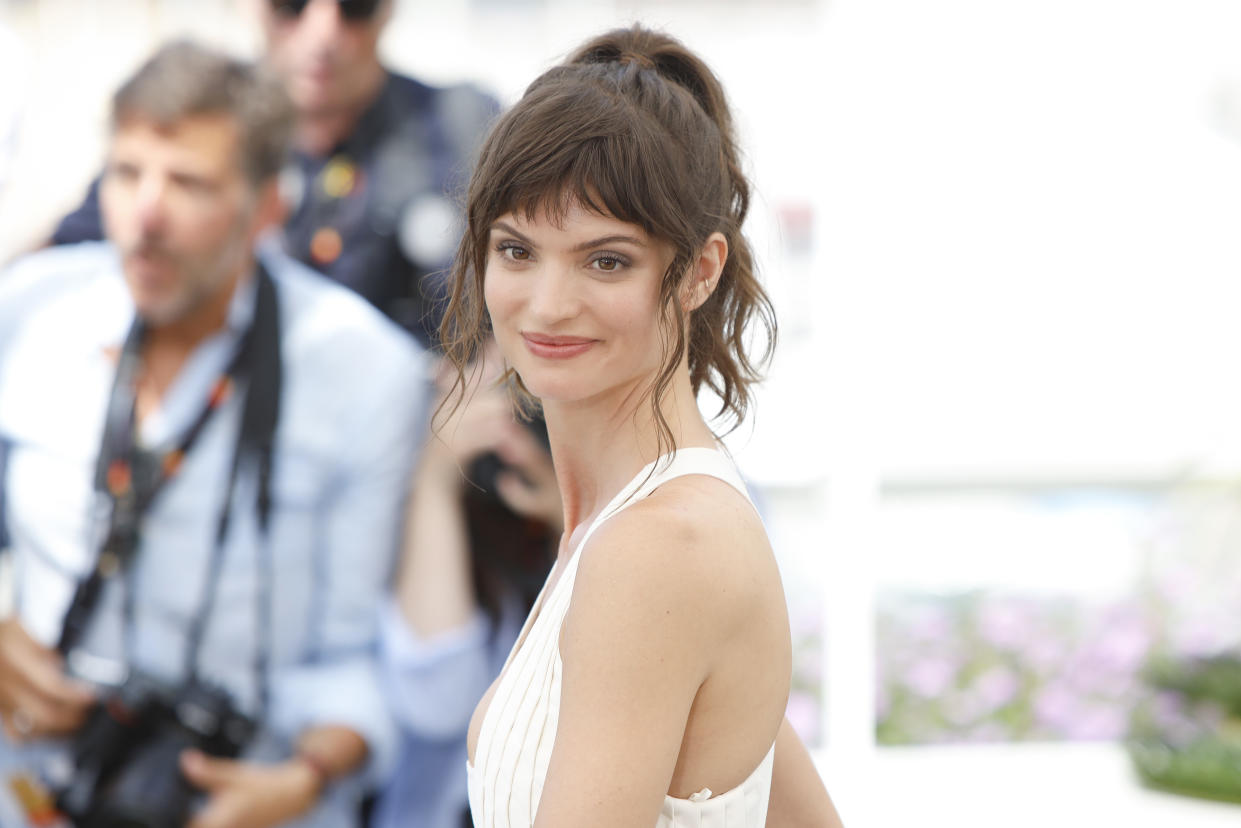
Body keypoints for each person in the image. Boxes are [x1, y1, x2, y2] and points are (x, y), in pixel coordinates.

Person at [0, 41, 424, 828]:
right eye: (127, 173)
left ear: (269, 205)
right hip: (26, 785)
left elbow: (357, 662)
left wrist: (304, 777)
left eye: (189, 182)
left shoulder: (366, 372)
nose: (147, 215)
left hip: (237, 797)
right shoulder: (27, 313)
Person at [440, 24, 844, 828]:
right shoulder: (635, 531)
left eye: (606, 260)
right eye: (517, 251)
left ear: (699, 271)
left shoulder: (655, 550)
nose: (549, 303)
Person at [51, 0, 498, 347]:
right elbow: (57, 275)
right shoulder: (195, 126)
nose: (324, 33)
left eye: (355, 5)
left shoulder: (463, 128)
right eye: (292, 2)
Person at [374, 346, 559, 828]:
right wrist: (437, 479)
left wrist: (577, 515)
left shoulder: (682, 496)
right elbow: (438, 702)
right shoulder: (394, 494)